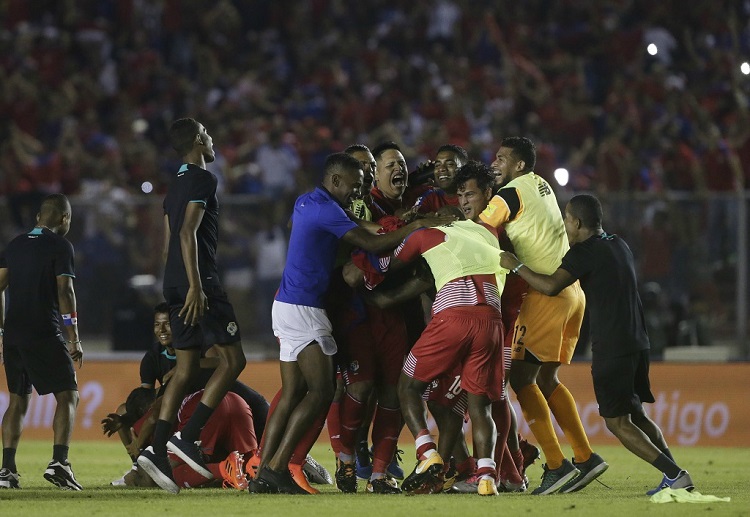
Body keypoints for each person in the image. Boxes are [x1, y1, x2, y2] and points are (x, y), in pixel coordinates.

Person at [250, 152, 454, 494]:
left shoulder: (308, 202)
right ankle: (277, 468)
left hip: (286, 304)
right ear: (335, 181)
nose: (359, 192)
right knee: (321, 391)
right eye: (355, 185)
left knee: (293, 393)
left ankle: (263, 472)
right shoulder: (327, 210)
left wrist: (405, 218)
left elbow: (364, 225)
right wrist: (416, 227)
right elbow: (372, 242)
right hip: (305, 309)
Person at [500, 194, 695, 496]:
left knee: (617, 423)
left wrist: (516, 265)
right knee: (637, 416)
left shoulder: (583, 252)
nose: (564, 226)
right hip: (638, 341)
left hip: (612, 345)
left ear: (577, 223)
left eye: (566, 220)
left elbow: (550, 286)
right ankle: (674, 474)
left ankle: (675, 475)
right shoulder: (619, 244)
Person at [479, 137, 607, 495]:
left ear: (520, 165)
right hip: (571, 292)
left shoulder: (510, 194)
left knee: (522, 378)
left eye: (502, 158)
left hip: (545, 293)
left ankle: (556, 464)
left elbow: (477, 228)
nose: (495, 163)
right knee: (547, 379)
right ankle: (585, 456)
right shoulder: (541, 185)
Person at [136, 118, 247, 494]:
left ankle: (157, 450)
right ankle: (187, 437)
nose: (213, 138)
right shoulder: (203, 179)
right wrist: (197, 287)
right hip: (200, 284)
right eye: (208, 134)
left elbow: (168, 243)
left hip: (172, 281)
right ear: (199, 141)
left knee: (183, 369)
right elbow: (187, 233)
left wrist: (173, 286)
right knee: (234, 361)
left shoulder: (174, 186)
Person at [393, 204, 507, 496]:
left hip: (453, 316)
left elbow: (388, 265)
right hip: (492, 318)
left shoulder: (426, 234)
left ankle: (426, 451)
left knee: (408, 386)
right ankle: (486, 477)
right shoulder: (487, 231)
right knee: (480, 407)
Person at [0, 193, 84, 490]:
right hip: (43, 331)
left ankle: (7, 470)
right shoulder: (61, 246)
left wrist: (1, 331)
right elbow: (66, 292)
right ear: (64, 218)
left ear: (38, 217)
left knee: (17, 400)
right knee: (69, 395)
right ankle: (60, 463)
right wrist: (73, 337)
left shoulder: (14, 244)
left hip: (13, 333)